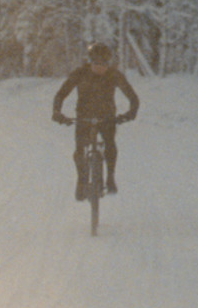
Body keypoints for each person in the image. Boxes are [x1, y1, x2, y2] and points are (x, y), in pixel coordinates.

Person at [52, 43, 139, 198]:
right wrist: (57, 112)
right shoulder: (80, 73)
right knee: (80, 149)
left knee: (110, 145)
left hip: (107, 117)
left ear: (109, 63)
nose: (100, 67)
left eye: (104, 64)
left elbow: (133, 97)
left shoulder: (114, 75)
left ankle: (110, 177)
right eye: (96, 63)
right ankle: (81, 180)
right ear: (90, 61)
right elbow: (61, 94)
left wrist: (130, 113)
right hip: (83, 116)